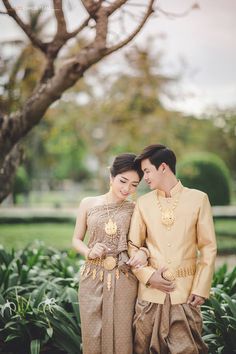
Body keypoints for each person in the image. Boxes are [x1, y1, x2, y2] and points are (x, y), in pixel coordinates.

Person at [128, 144, 217, 354]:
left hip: (185, 295)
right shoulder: (143, 203)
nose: (145, 177)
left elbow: (208, 247)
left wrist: (200, 288)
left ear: (164, 167)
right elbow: (133, 246)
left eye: (147, 171)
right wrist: (149, 276)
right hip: (150, 296)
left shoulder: (198, 199)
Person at [72, 153, 149, 354]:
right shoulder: (88, 203)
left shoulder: (136, 208)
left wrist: (144, 253)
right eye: (123, 181)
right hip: (92, 276)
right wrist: (89, 251)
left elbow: (146, 242)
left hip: (124, 277)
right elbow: (76, 240)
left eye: (134, 184)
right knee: (92, 334)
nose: (127, 189)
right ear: (111, 176)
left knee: (122, 334)